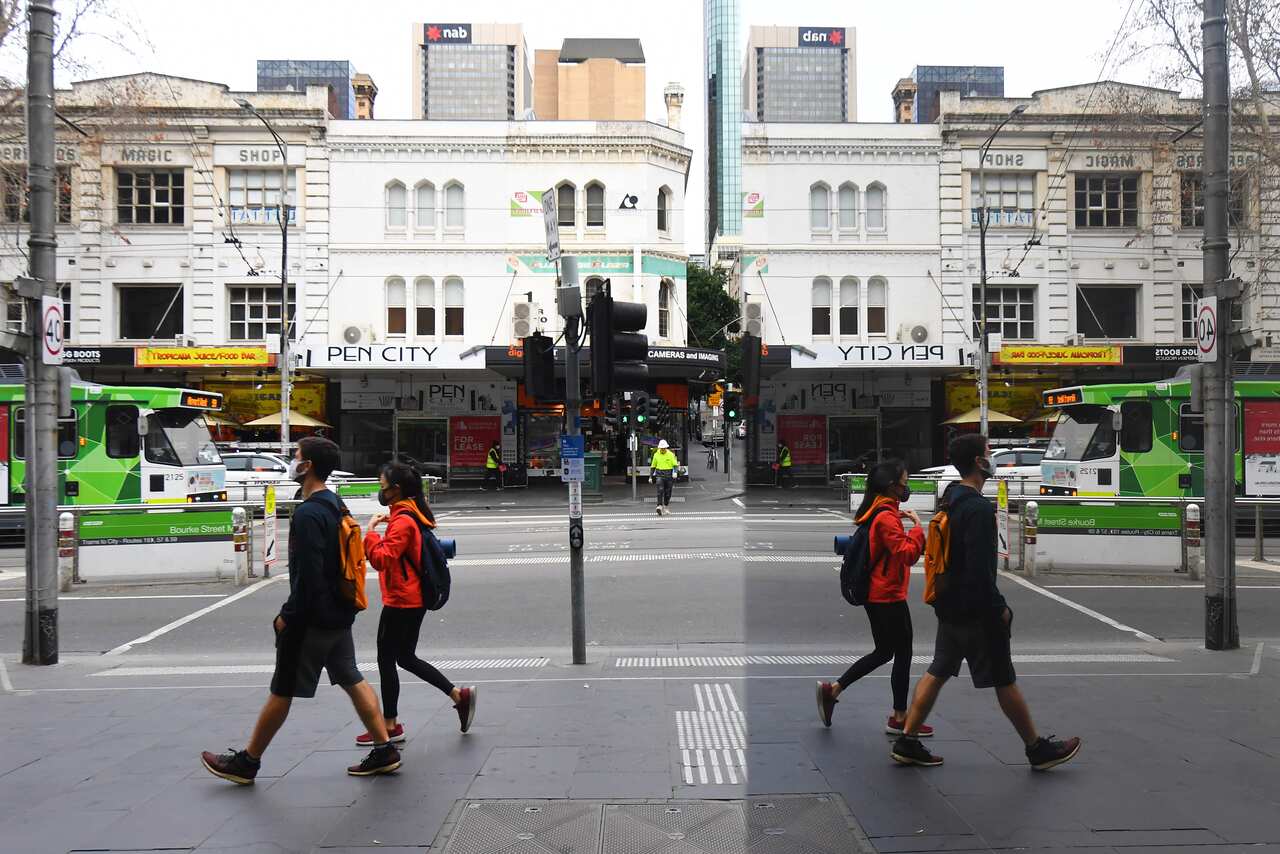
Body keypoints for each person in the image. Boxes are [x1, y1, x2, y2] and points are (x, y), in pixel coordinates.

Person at [201, 437, 401, 785]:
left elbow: (308, 576)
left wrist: (287, 616)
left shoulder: (309, 513)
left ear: (307, 466)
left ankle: (248, 762)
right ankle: (384, 749)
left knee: (283, 688)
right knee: (351, 676)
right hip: (339, 611)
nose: (293, 461)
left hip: (312, 619)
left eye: (296, 456)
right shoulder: (335, 503)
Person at [890, 433, 1081, 771]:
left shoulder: (951, 499)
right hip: (976, 612)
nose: (992, 457)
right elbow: (980, 572)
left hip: (949, 604)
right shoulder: (977, 508)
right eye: (988, 452)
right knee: (1003, 678)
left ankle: (907, 740)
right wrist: (1000, 610)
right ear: (979, 462)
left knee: (938, 670)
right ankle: (1036, 748)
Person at [360, 462, 477, 746]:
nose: (381, 491)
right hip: (413, 598)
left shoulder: (403, 520)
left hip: (402, 600)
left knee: (387, 659)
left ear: (396, 489)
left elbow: (382, 559)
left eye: (383, 486)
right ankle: (457, 696)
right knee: (405, 657)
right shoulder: (411, 513)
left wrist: (371, 532)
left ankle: (390, 725)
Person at [815, 460, 929, 736]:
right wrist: (917, 527)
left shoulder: (877, 511)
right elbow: (906, 554)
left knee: (885, 651)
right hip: (887, 595)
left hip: (878, 594)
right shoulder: (886, 517)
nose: (906, 487)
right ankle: (899, 717)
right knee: (902, 653)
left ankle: (834, 690)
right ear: (891, 486)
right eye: (904, 482)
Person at [650, 439, 678, 515]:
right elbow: (653, 466)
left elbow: (675, 465)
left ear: (666, 448)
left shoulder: (670, 454)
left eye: (664, 448)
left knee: (668, 492)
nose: (662, 450)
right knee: (660, 490)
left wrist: (675, 472)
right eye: (661, 448)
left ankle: (666, 506)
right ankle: (659, 506)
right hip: (659, 474)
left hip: (669, 475)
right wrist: (650, 477)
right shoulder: (656, 455)